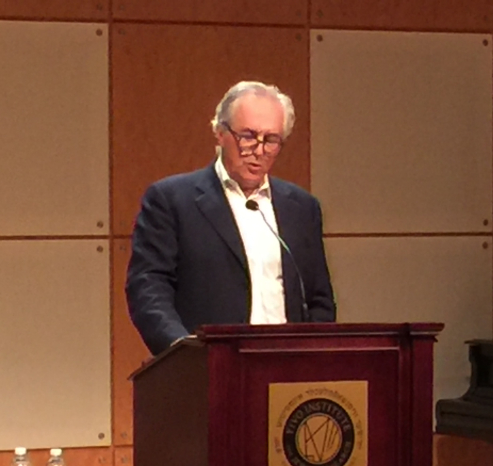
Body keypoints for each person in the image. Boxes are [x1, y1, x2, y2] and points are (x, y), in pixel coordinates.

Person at [126, 80, 336, 356]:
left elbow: (319, 300)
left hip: (288, 365)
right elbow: (148, 289)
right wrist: (182, 351)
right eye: (248, 136)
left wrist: (313, 355)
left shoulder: (302, 208)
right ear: (220, 132)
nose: (258, 150)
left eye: (271, 140)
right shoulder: (172, 200)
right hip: (208, 364)